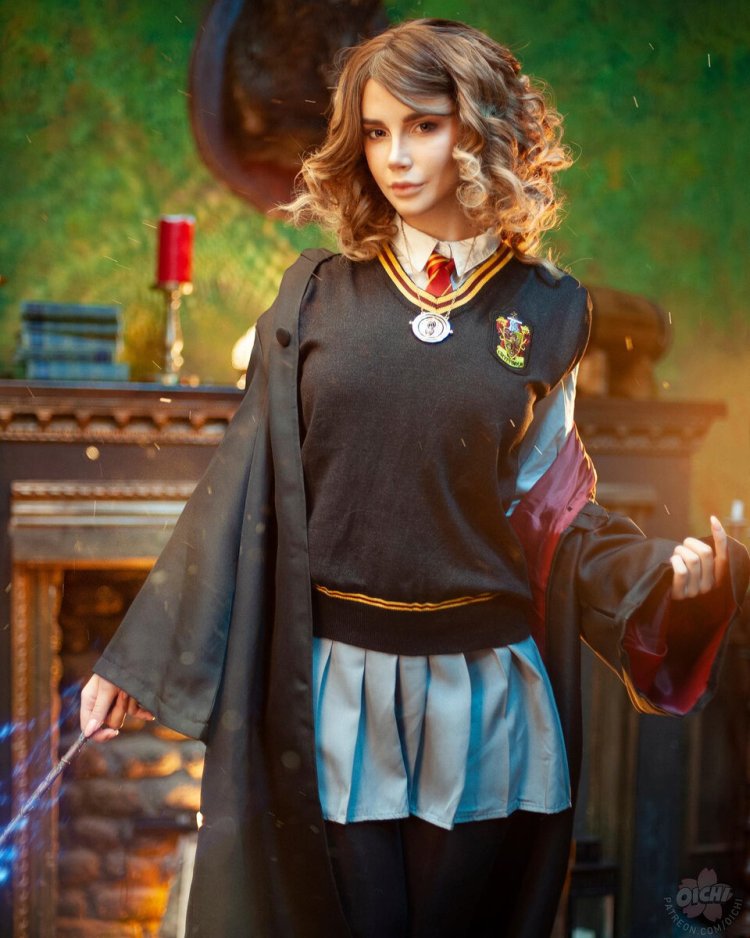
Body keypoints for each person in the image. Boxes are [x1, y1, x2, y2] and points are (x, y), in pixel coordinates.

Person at [79, 18, 749, 938]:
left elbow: (552, 512)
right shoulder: (314, 295)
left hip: (481, 699)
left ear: (480, 128)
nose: (394, 156)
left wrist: (667, 583)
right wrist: (137, 661)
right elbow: (239, 484)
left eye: (423, 126)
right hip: (336, 692)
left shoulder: (551, 311)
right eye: (376, 131)